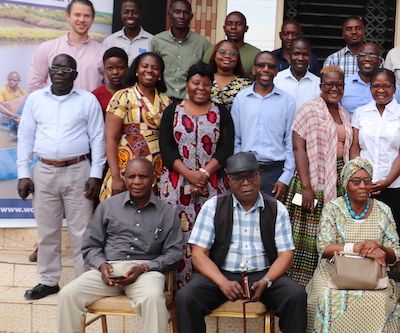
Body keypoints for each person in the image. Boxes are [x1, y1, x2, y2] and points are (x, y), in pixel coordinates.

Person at [39, 158, 182, 333]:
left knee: (152, 298)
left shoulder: (166, 212)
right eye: (132, 176)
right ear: (125, 178)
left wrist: (145, 267)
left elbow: (174, 252)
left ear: (153, 179)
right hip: (109, 271)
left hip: (145, 271)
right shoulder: (107, 207)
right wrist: (102, 265)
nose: (137, 182)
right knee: (69, 294)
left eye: (143, 177)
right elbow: (91, 245)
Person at [175, 152, 311, 333]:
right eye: (238, 178)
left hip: (263, 271)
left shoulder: (276, 208)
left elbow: (285, 255)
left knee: (296, 295)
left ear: (260, 176)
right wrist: (221, 282)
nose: (246, 183)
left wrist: (268, 280)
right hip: (223, 271)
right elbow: (199, 254)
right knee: (186, 297)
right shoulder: (213, 206)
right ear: (228, 180)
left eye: (251, 176)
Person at [305, 157, 400, 333]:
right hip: (333, 273)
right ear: (345, 185)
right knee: (324, 301)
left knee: (380, 303)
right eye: (355, 181)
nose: (362, 186)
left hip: (372, 276)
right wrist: (357, 247)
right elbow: (323, 248)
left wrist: (378, 246)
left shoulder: (383, 211)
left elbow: (395, 253)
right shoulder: (333, 208)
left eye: (366, 181)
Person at [16, 54, 106, 300]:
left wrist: (96, 174)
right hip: (43, 172)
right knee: (47, 231)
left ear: (75, 75)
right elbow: (25, 137)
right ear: (50, 71)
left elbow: (98, 138)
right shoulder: (35, 99)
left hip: (79, 171)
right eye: (55, 67)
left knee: (81, 232)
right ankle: (48, 281)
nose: (59, 71)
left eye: (65, 68)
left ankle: (83, 284)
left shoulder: (87, 100)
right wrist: (24, 174)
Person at [159, 62, 234, 288]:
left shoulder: (221, 112)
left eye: (206, 84)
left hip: (213, 185)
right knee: (178, 238)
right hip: (176, 186)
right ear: (187, 85)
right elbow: (166, 148)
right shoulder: (173, 110)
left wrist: (203, 172)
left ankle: (207, 288)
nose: (200, 88)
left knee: (212, 236)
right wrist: (189, 174)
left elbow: (226, 148)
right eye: (195, 83)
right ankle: (174, 291)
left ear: (212, 86)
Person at [285, 66, 353, 286]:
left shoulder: (344, 113)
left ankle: (328, 286)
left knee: (335, 236)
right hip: (314, 181)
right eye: (329, 84)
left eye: (339, 84)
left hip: (340, 181)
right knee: (310, 238)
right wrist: (307, 187)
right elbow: (299, 149)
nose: (334, 88)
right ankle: (301, 289)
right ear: (321, 86)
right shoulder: (308, 110)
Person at [350, 68, 400, 247]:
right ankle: (364, 272)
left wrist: (387, 181)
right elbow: (355, 149)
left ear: (394, 89)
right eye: (376, 86)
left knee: (393, 234)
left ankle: (391, 273)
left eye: (386, 86)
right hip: (364, 185)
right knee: (363, 232)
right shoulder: (360, 113)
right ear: (370, 88)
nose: (381, 90)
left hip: (395, 186)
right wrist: (361, 180)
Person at [100, 52, 171, 200]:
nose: (149, 70)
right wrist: (116, 176)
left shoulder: (166, 101)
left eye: (155, 68)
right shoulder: (123, 96)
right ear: (136, 71)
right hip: (126, 165)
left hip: (156, 167)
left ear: (160, 74)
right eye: (144, 66)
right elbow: (111, 139)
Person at [231, 51, 297, 198]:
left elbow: (290, 142)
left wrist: (285, 177)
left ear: (276, 71)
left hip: (275, 174)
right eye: (261, 65)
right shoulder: (242, 98)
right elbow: (236, 138)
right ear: (254, 69)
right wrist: (237, 171)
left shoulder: (287, 101)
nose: (266, 69)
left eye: (271, 66)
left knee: (270, 219)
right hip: (245, 171)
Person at [27, 0, 105, 93]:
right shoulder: (47, 48)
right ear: (68, 16)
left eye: (87, 16)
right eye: (77, 15)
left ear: (93, 18)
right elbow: (34, 85)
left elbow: (110, 88)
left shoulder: (103, 52)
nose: (82, 20)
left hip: (90, 107)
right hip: (54, 107)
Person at [152, 0, 211, 100]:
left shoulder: (202, 43)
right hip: (163, 99)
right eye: (177, 12)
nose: (181, 16)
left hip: (190, 101)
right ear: (169, 14)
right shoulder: (157, 41)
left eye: (185, 13)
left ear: (191, 16)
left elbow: (207, 74)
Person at [341, 42, 400, 113]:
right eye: (363, 55)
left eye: (372, 56)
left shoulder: (393, 88)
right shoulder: (343, 84)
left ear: (380, 61)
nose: (367, 59)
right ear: (357, 59)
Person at [202, 11, 261, 79]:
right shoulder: (212, 51)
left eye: (238, 24)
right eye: (229, 24)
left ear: (246, 28)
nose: (233, 27)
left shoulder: (256, 53)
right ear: (224, 28)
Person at [274, 37, 321, 108]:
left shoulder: (318, 84)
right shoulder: (277, 80)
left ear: (310, 56)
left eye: (305, 54)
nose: (300, 58)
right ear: (289, 55)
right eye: (296, 54)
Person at [207, 40, 252, 106]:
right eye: (222, 52)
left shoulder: (247, 86)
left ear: (237, 58)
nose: (227, 56)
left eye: (233, 53)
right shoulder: (204, 80)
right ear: (214, 56)